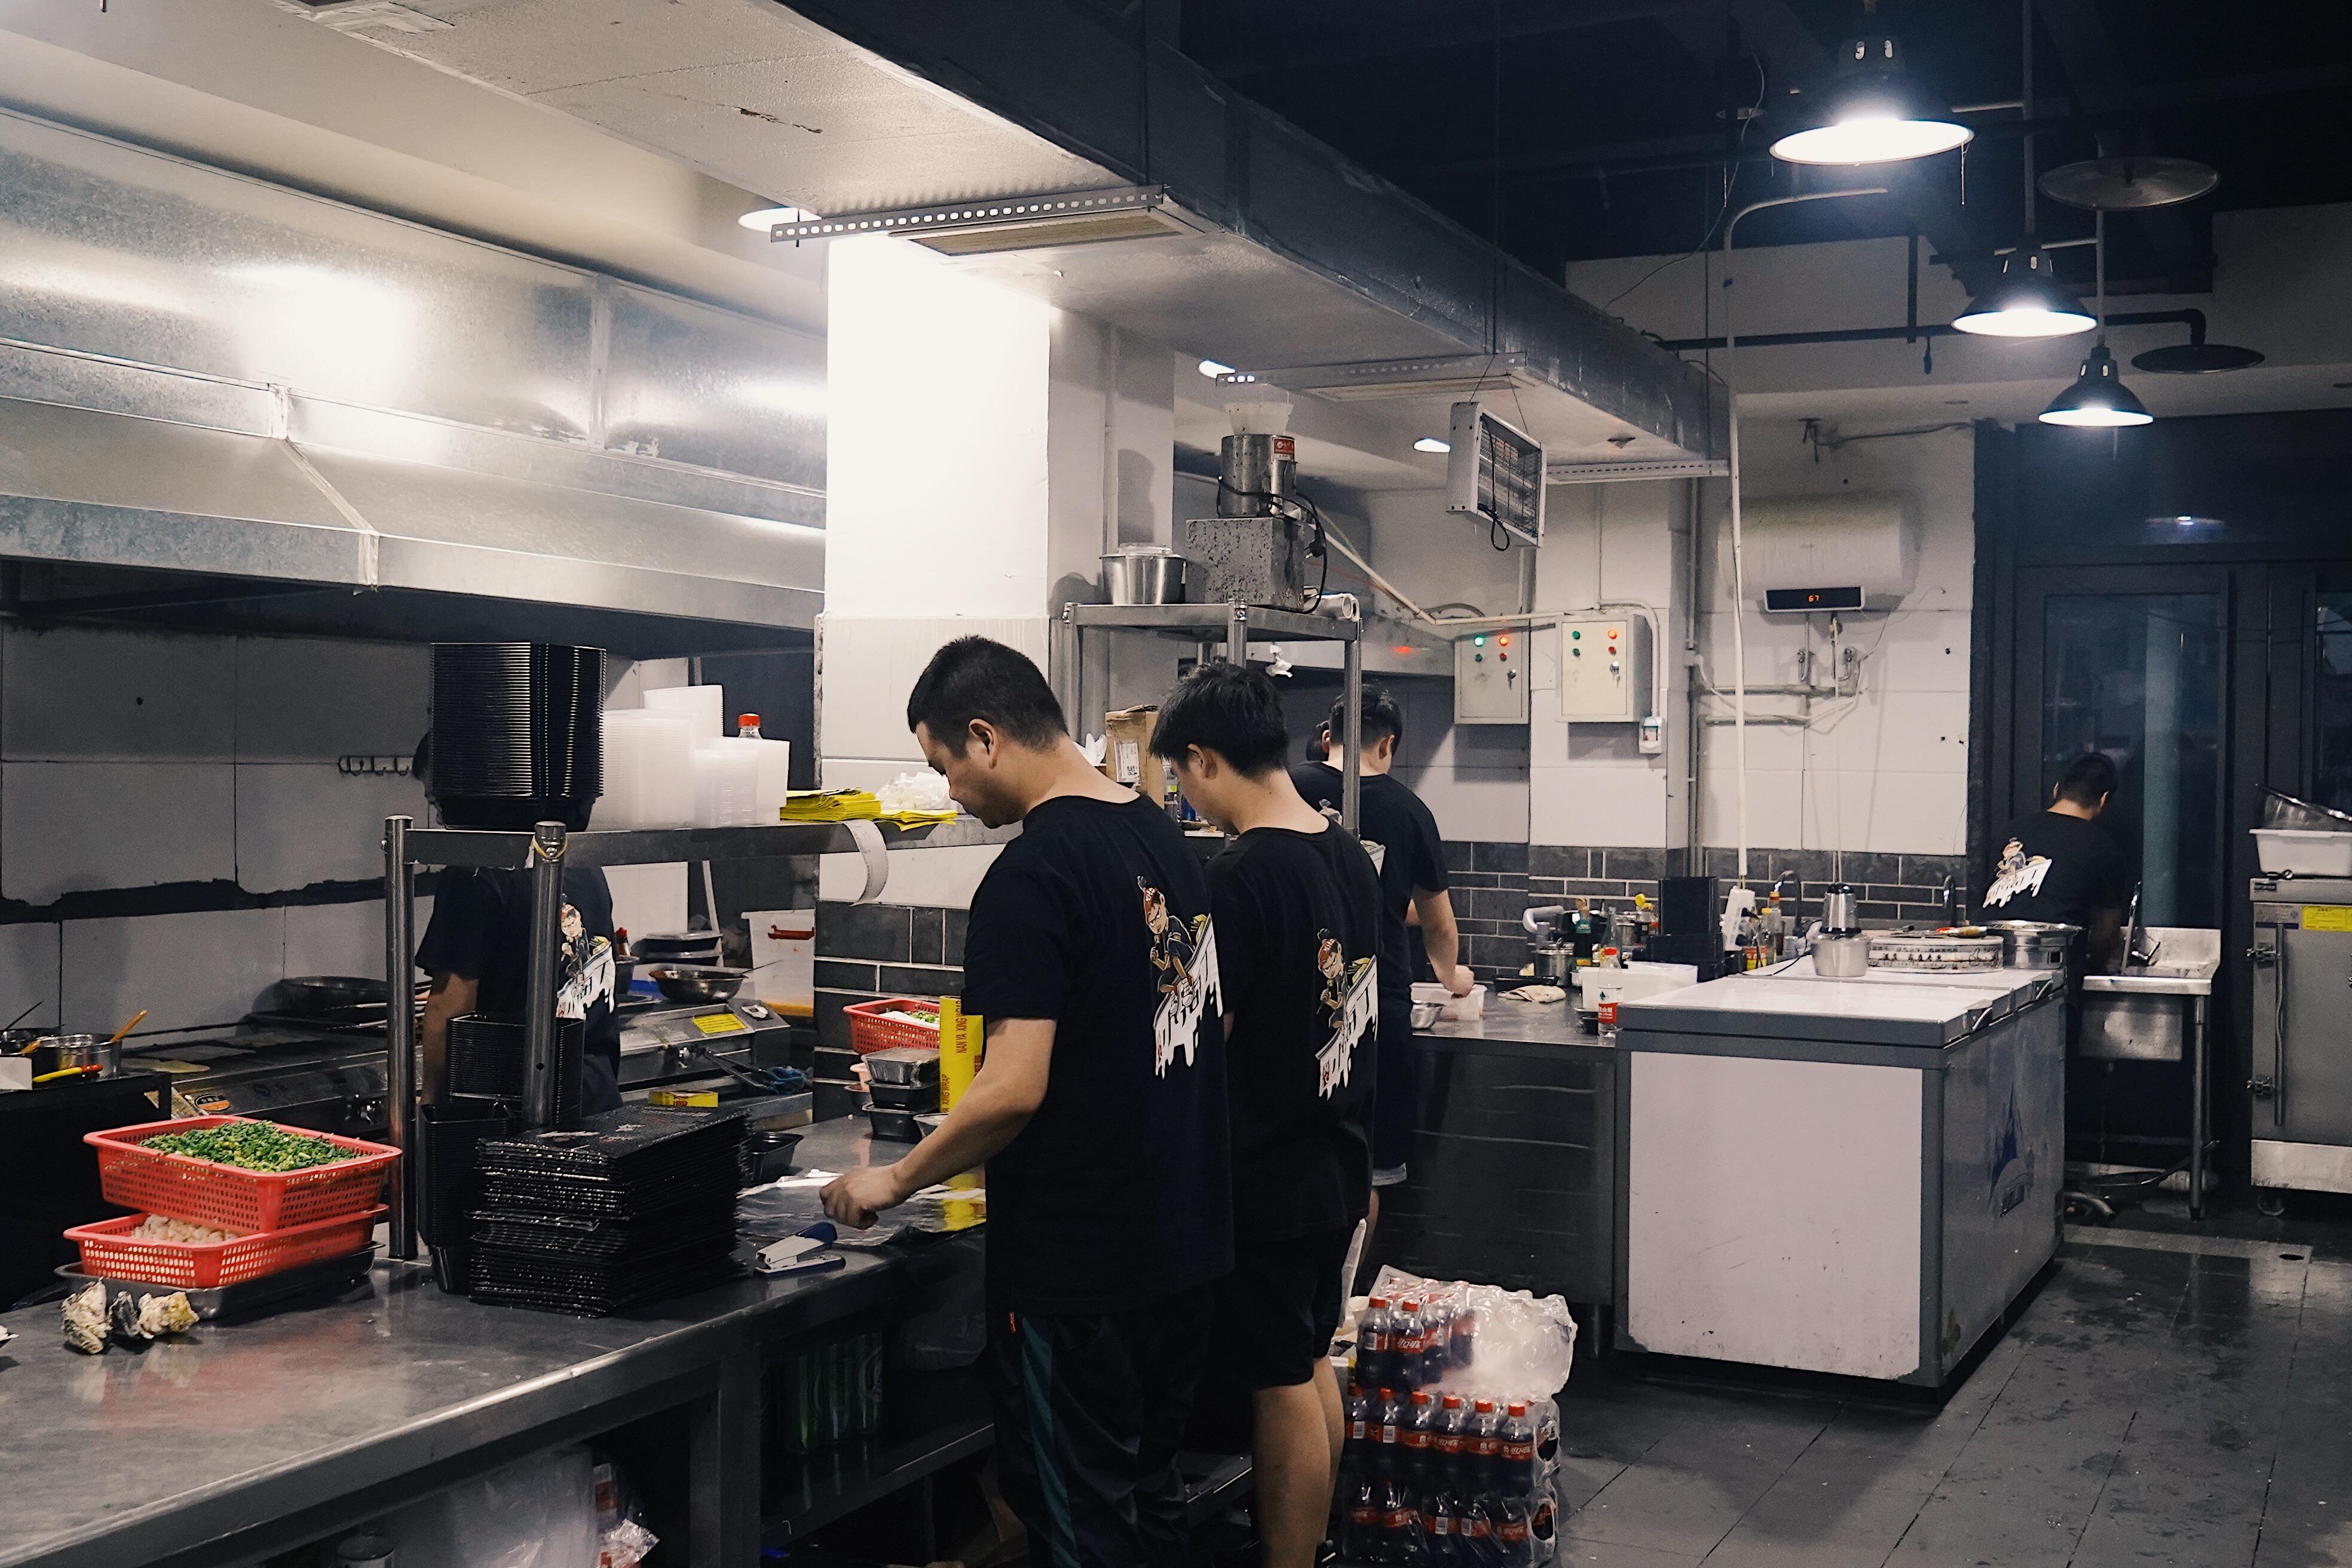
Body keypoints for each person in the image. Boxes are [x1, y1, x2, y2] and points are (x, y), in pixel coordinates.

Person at [821, 637, 1229, 1568]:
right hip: (1185, 1247)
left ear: (985, 737)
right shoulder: (1163, 840)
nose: (953, 792)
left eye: (945, 768)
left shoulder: (1031, 876)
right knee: (1150, 1501)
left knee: (1080, 1523)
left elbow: (1012, 1087)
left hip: (1080, 1272)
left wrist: (896, 1180)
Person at [1149, 663, 1380, 1568]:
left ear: (1205, 759)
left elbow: (1210, 1031)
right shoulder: (1345, 851)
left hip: (1269, 1173)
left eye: (1181, 775)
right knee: (1309, 1356)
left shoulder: (1242, 873)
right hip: (1337, 1157)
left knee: (1279, 1378)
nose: (1189, 798)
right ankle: (1317, 1549)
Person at [1292, 690, 1472, 1199]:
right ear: (1387, 743)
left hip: (1292, 995)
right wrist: (1451, 977)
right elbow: (1438, 924)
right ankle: (1360, 1252)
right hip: (1375, 1004)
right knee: (1371, 1171)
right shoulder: (1410, 811)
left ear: (1327, 736)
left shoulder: (1287, 789)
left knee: (1297, 1162)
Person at [412, 736, 623, 1117]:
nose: (442, 818)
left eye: (438, 802)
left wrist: (430, 1105)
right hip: (594, 1094)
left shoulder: (475, 873)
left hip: (513, 1107)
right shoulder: (580, 858)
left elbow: (450, 1008)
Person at [1984, 751, 2133, 971]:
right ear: (2103, 800)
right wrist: (2091, 966)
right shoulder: (2102, 846)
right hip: (2054, 972)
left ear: (2056, 790)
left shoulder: (2009, 832)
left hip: (1989, 962)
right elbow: (2106, 932)